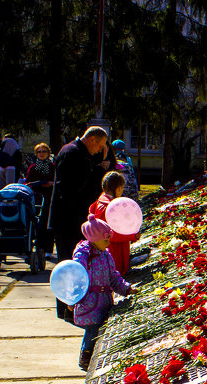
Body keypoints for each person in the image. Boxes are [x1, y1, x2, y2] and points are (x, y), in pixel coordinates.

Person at [49, 126, 109, 320]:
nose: (100, 150)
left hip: (72, 217)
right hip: (68, 219)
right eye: (99, 145)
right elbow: (71, 188)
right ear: (91, 139)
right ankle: (67, 309)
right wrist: (98, 171)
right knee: (68, 265)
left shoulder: (78, 153)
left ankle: (71, 308)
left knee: (74, 264)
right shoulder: (73, 153)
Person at [72, 214, 135, 370]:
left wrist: (126, 288)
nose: (108, 243)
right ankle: (86, 357)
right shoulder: (83, 257)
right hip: (89, 302)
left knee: (99, 329)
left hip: (104, 300)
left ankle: (94, 358)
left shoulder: (106, 255)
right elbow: (75, 277)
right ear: (94, 239)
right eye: (105, 240)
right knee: (92, 329)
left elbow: (113, 276)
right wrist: (73, 298)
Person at [89, 170, 139, 275]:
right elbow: (111, 234)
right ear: (118, 188)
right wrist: (132, 236)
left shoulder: (101, 203)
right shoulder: (108, 207)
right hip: (113, 252)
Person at [25, 141, 55, 252]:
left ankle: (47, 249)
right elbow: (28, 183)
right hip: (36, 198)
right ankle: (38, 247)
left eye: (44, 151)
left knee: (48, 224)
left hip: (49, 198)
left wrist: (50, 183)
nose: (41, 153)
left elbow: (57, 181)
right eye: (39, 152)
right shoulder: (33, 167)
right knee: (36, 224)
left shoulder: (52, 167)